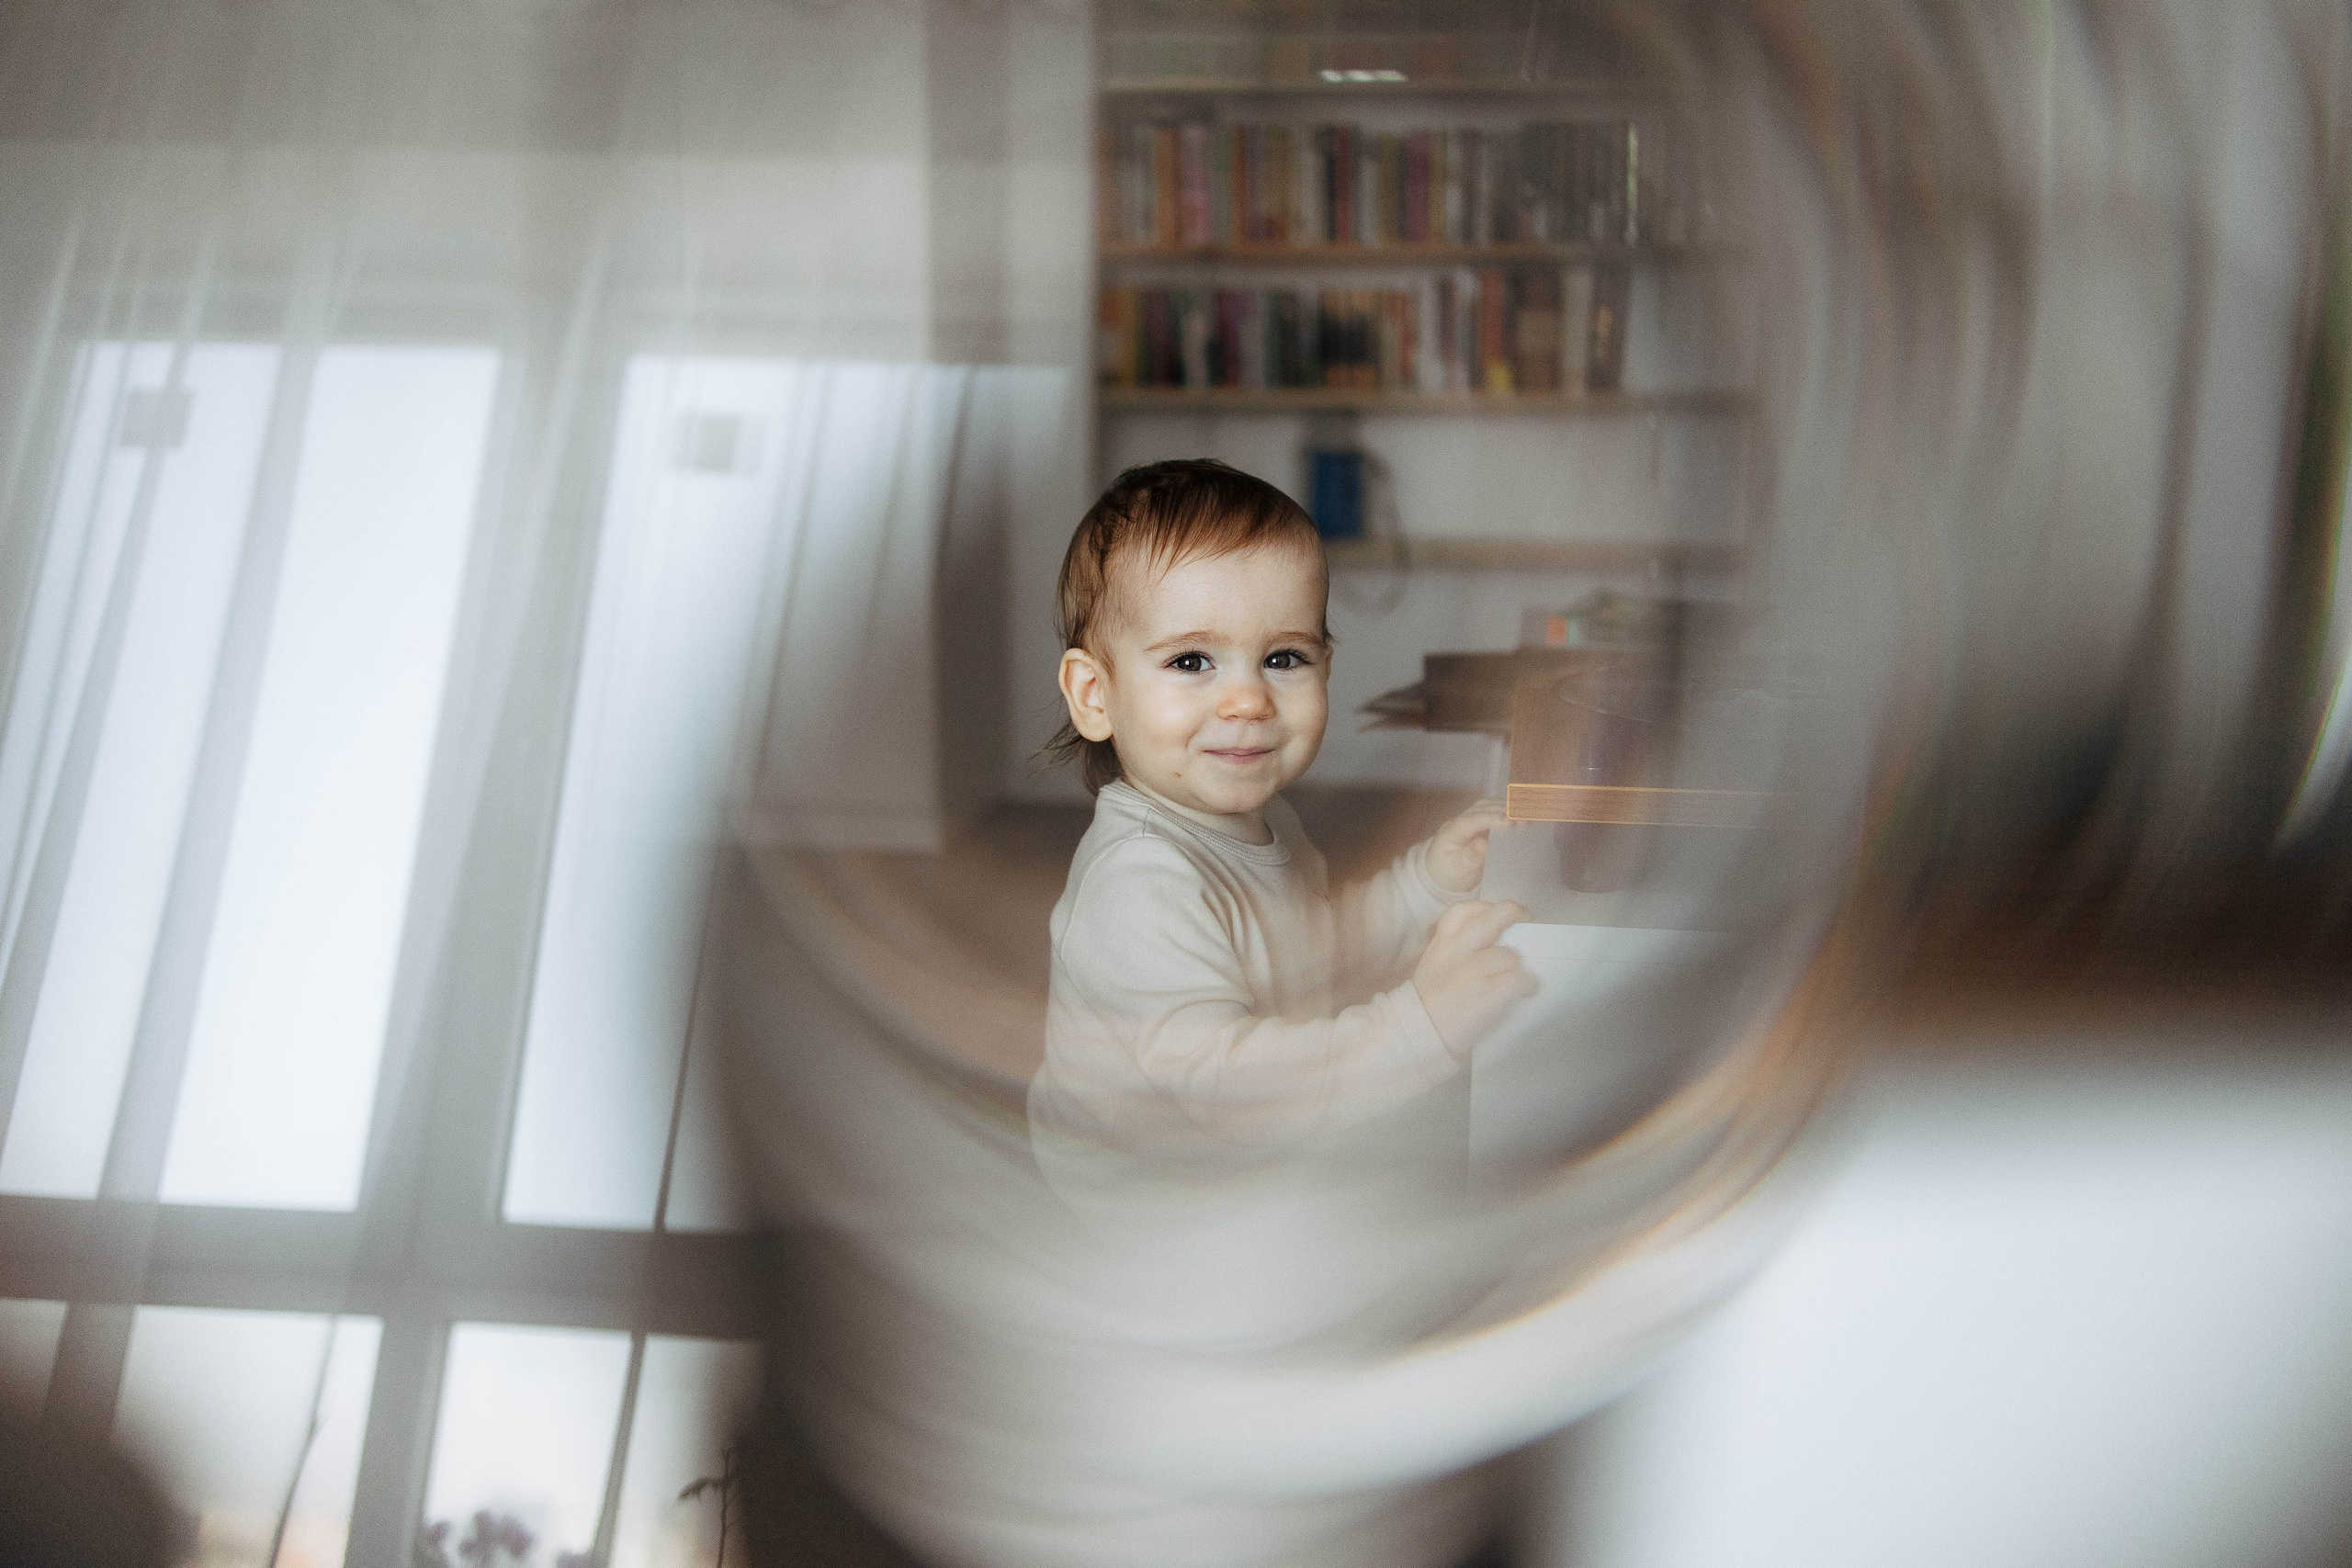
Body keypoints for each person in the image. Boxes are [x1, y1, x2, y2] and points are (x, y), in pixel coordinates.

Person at [1029, 457, 1535, 1172]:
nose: (1247, 701)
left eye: (1283, 658)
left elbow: (1315, 946)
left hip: (1253, 1160)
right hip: (1157, 1213)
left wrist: (1427, 883)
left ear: (1325, 668)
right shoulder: (1136, 888)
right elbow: (1237, 1091)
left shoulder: (1264, 824)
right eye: (1192, 661)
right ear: (1094, 695)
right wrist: (1419, 1028)